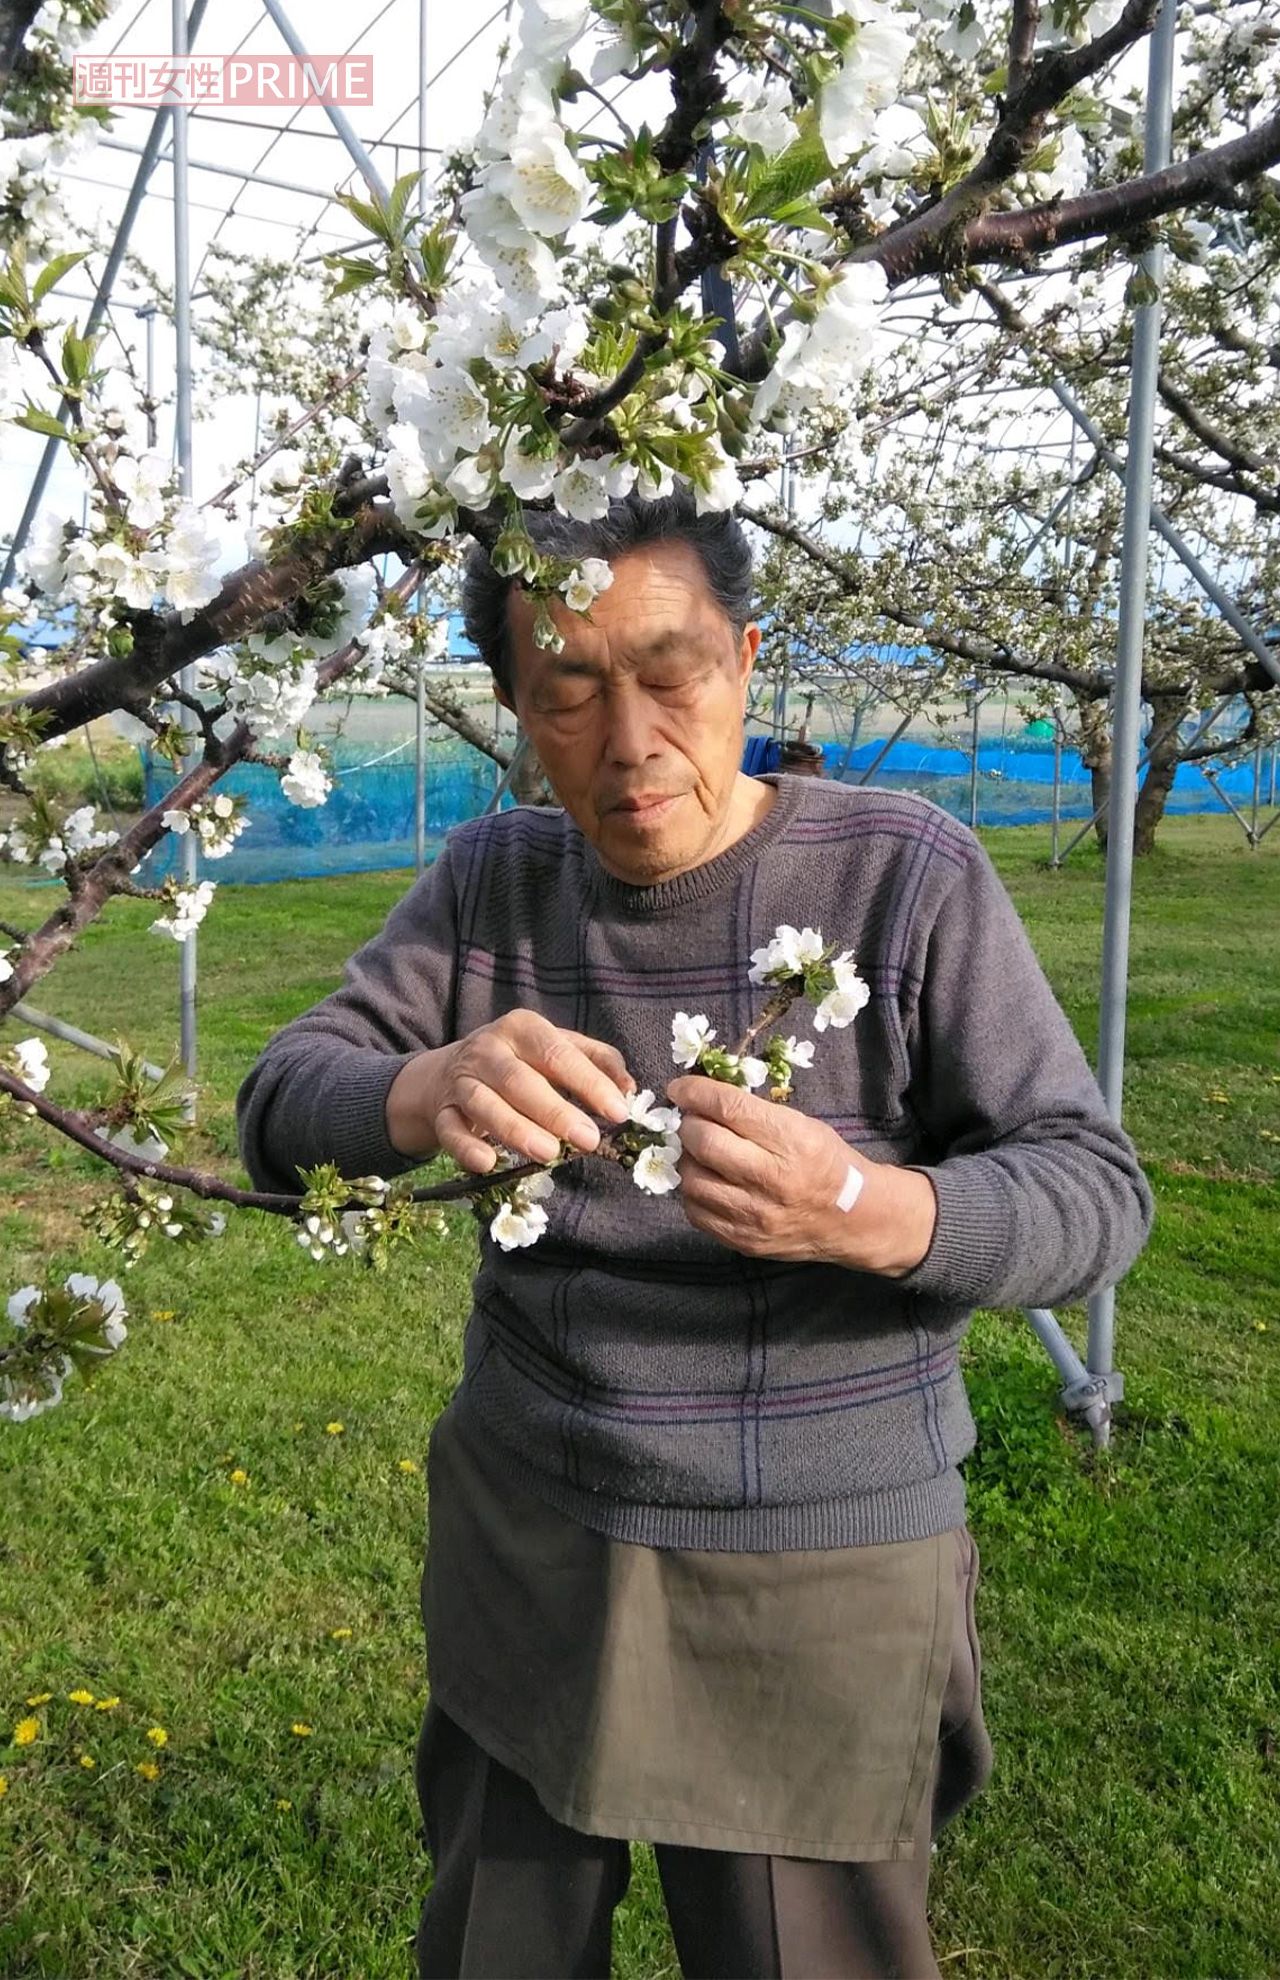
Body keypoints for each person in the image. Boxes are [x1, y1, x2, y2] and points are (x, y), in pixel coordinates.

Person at [236, 491, 1155, 1979]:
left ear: (745, 657)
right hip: (535, 1526)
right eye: (571, 690)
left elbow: (1095, 1193)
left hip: (817, 1553)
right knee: (499, 1945)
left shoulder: (900, 877)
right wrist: (420, 1087)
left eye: (673, 671)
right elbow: (280, 1102)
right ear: (519, 707)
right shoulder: (494, 882)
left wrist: (869, 1210)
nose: (632, 737)